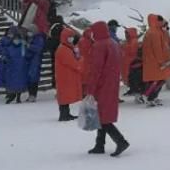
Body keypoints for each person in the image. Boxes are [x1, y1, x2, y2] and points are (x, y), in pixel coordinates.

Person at [86, 20, 130, 156]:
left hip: (102, 85)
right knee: (102, 115)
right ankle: (99, 144)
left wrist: (90, 90)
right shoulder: (113, 43)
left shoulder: (99, 45)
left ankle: (120, 141)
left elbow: (96, 70)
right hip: (112, 83)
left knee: (103, 117)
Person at [141, 14, 170, 105]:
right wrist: (162, 61)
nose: (162, 22)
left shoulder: (154, 31)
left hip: (152, 61)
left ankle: (152, 97)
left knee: (158, 80)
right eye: (160, 20)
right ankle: (148, 97)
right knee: (157, 80)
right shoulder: (154, 33)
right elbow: (158, 49)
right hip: (156, 62)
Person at [54, 28, 84, 122]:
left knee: (65, 96)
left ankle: (65, 113)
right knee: (64, 96)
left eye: (72, 37)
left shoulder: (66, 48)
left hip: (66, 76)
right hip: (65, 77)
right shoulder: (64, 49)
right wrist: (82, 59)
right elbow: (74, 64)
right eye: (69, 37)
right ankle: (64, 115)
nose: (71, 38)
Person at [0, 26, 29, 104]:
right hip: (15, 67)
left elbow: (26, 55)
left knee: (16, 82)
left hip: (17, 67)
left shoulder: (19, 46)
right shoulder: (16, 46)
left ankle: (15, 96)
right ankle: (14, 96)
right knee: (15, 82)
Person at [24, 29, 46, 103]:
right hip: (28, 61)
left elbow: (38, 49)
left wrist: (29, 46)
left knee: (34, 78)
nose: (29, 33)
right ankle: (30, 94)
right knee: (29, 78)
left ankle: (33, 95)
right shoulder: (27, 38)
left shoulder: (39, 39)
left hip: (35, 61)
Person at [122, 27, 142, 94]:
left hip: (132, 63)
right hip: (128, 63)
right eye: (126, 33)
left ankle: (135, 90)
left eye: (127, 33)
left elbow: (132, 52)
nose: (126, 35)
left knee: (133, 78)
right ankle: (132, 89)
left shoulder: (134, 41)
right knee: (129, 77)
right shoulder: (129, 41)